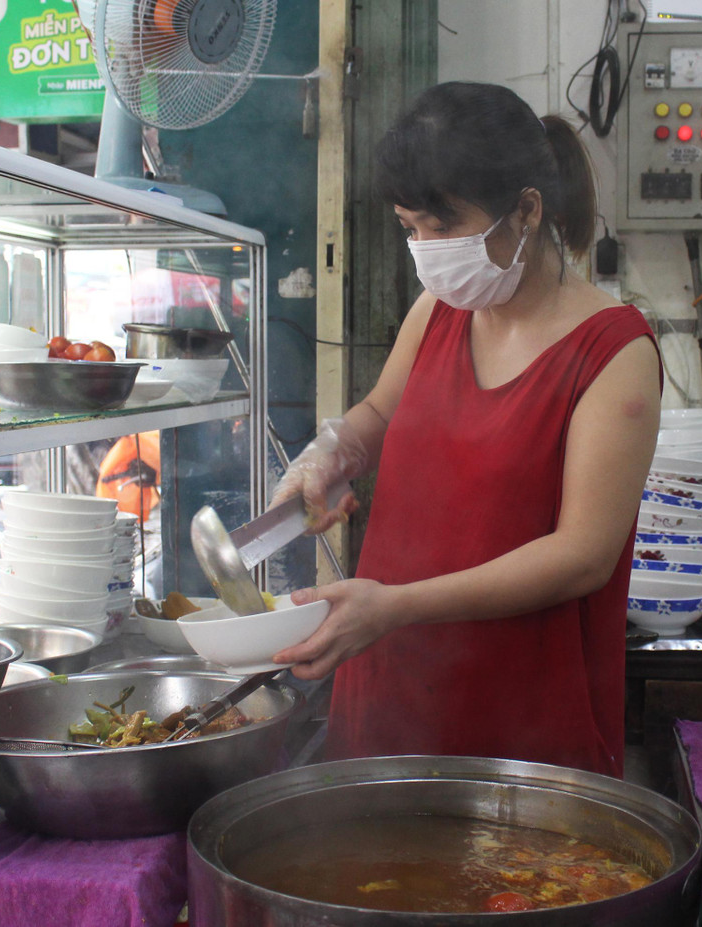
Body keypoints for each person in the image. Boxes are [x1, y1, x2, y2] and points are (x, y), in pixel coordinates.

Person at [269, 82, 662, 777]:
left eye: (443, 226)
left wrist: (395, 607)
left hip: (524, 724)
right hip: (390, 694)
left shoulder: (615, 353)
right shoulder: (439, 311)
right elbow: (380, 415)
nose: (425, 249)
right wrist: (328, 453)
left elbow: (582, 555)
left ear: (528, 211)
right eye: (410, 227)